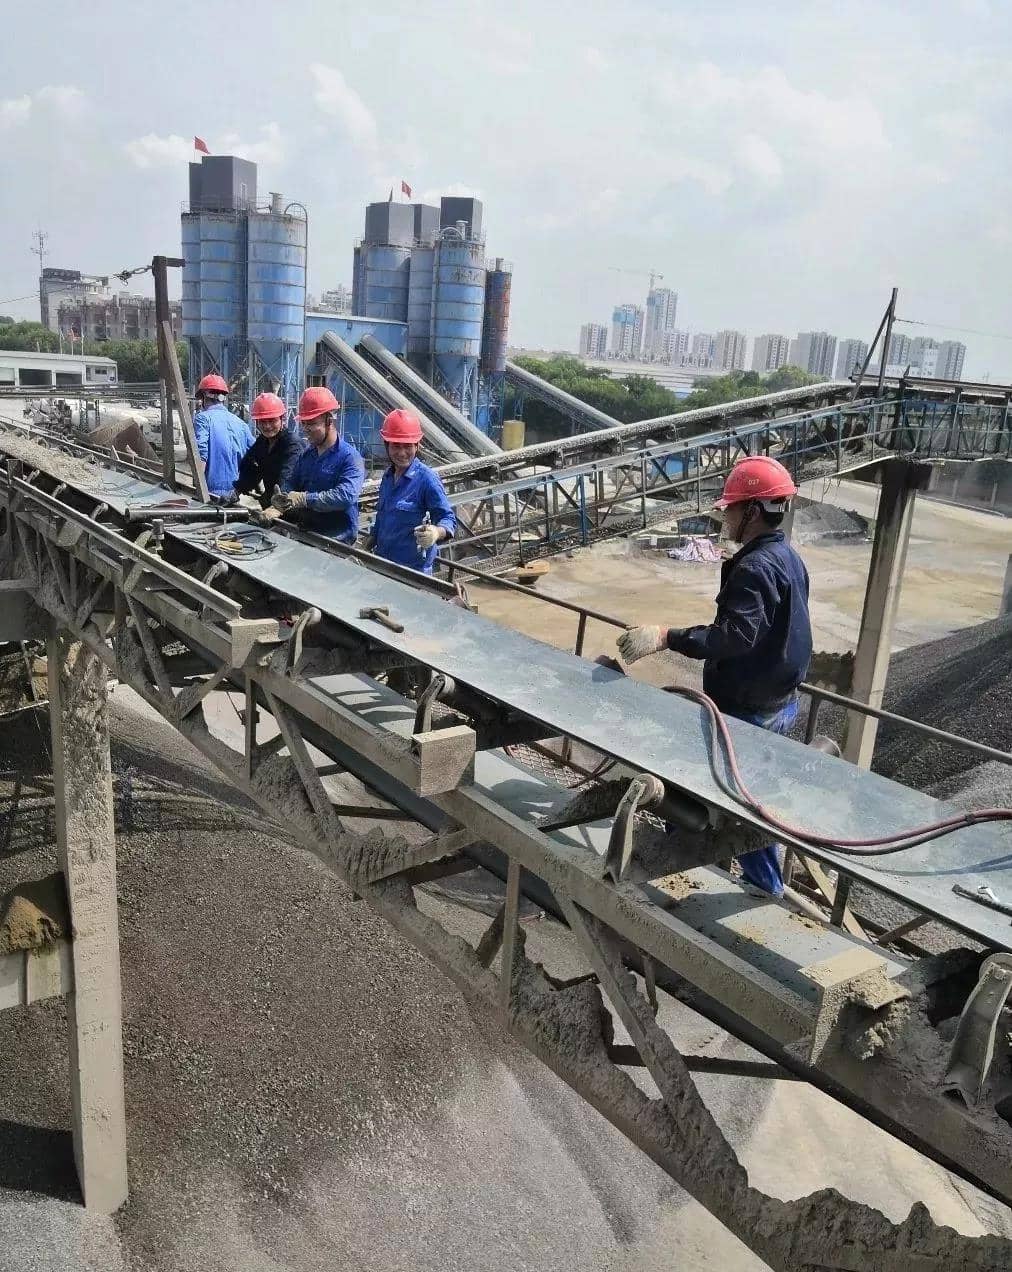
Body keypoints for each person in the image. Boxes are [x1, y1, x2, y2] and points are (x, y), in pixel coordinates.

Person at [616, 455, 812, 898]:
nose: (725, 517)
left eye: (731, 509)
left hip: (747, 709)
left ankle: (702, 869)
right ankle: (756, 878)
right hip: (780, 701)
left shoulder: (756, 568)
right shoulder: (787, 558)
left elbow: (733, 637)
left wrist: (666, 636)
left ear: (753, 511)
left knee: (715, 789)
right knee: (750, 790)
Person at [262, 386, 364, 542]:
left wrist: (305, 499)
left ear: (329, 421)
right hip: (307, 535)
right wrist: (281, 500)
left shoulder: (350, 457)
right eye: (303, 423)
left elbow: (345, 496)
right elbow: (292, 482)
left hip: (336, 543)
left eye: (311, 423)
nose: (305, 429)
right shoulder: (307, 455)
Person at [366, 409, 455, 574]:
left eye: (407, 446)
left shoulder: (427, 479)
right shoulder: (387, 477)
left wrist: (436, 532)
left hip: (413, 574)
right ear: (387, 445)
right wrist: (365, 548)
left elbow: (448, 518)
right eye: (396, 446)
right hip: (382, 567)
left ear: (417, 445)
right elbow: (381, 521)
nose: (401, 453)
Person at [228, 392, 303, 509]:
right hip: (271, 504)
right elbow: (250, 468)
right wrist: (237, 491)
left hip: (290, 507)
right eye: (262, 421)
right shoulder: (262, 442)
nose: (267, 426)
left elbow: (287, 477)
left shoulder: (292, 444)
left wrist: (278, 505)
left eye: (272, 421)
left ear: (282, 419)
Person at [192, 374, 254, 498]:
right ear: (223, 398)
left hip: (210, 493)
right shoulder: (241, 424)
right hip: (234, 494)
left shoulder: (203, 419)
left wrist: (197, 489)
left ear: (204, 396)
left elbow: (201, 455)